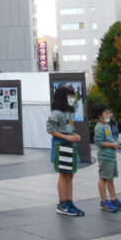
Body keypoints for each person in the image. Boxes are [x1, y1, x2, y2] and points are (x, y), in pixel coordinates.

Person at [46, 85, 84, 216]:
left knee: (70, 174)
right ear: (63, 97)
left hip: (69, 143)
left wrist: (74, 135)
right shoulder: (56, 113)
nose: (72, 98)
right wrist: (67, 137)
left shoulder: (69, 112)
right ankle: (62, 204)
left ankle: (69, 202)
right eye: (70, 96)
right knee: (63, 174)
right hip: (61, 143)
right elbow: (50, 129)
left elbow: (76, 107)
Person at [92, 104, 121, 212]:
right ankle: (104, 202)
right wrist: (112, 144)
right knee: (103, 178)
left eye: (109, 113)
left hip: (111, 156)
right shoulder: (99, 127)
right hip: (105, 157)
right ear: (99, 115)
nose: (109, 115)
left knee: (110, 179)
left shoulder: (107, 126)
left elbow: (108, 139)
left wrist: (115, 145)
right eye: (106, 113)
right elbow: (98, 142)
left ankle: (113, 199)